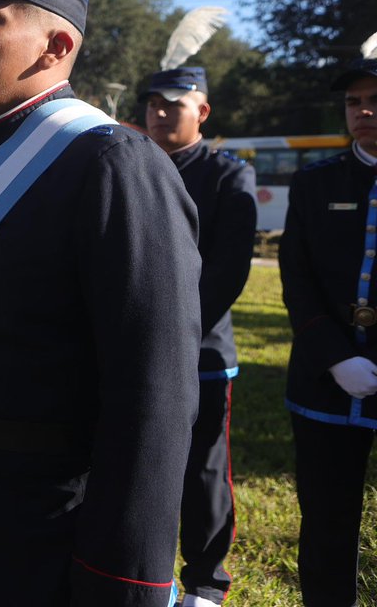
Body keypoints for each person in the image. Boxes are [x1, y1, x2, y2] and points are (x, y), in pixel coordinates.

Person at [0, 0, 201, 605]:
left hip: (41, 532)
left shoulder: (114, 167)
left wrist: (125, 579)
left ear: (55, 44)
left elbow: (154, 394)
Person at [142, 67, 257, 607]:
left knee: (203, 466)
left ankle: (206, 581)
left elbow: (227, 271)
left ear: (202, 112)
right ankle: (142, 566)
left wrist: (174, 334)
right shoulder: (132, 165)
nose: (161, 112)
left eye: (174, 104)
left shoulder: (226, 175)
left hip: (201, 350)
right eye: (153, 103)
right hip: (130, 346)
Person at [279, 52, 377, 607]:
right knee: (326, 521)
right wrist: (335, 355)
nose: (363, 112)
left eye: (375, 101)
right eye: (354, 103)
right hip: (324, 379)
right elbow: (297, 275)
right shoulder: (316, 182)